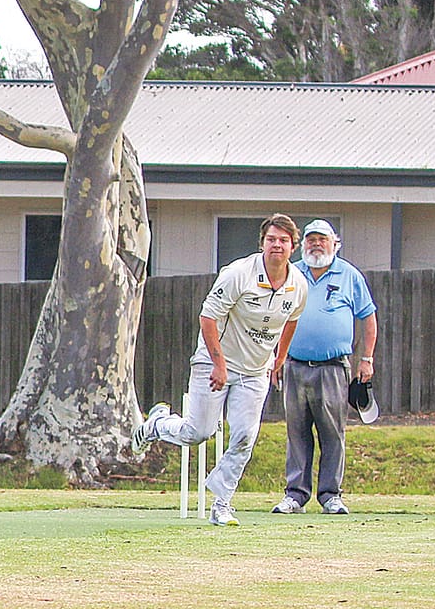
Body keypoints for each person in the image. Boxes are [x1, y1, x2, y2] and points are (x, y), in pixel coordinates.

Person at [132, 214, 308, 526]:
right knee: (196, 432)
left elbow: (292, 319)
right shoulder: (239, 273)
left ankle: (222, 504)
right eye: (271, 239)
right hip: (214, 363)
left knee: (243, 436)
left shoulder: (298, 284)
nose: (276, 245)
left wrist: (279, 357)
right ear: (262, 244)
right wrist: (219, 364)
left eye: (283, 240)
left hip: (255, 371)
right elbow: (208, 317)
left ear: (292, 247)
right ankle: (158, 425)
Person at [276, 220, 377, 515]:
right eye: (310, 240)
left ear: (335, 243)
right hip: (294, 365)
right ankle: (295, 495)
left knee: (332, 432)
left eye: (322, 239)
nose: (316, 245)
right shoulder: (292, 273)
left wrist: (367, 359)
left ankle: (331, 495)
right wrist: (277, 358)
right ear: (302, 244)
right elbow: (276, 317)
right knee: (297, 432)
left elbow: (368, 318)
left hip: (333, 368)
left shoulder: (349, 275)